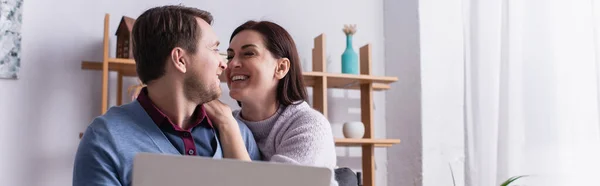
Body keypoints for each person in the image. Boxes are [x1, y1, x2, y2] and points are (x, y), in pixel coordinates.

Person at [72, 5, 261, 186]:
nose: (224, 64)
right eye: (213, 49)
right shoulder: (105, 139)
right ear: (180, 60)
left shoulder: (238, 134)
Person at [204, 20, 338, 185]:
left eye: (249, 53)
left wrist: (227, 124)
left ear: (281, 68)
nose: (232, 64)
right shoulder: (223, 121)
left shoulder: (310, 126)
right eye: (230, 56)